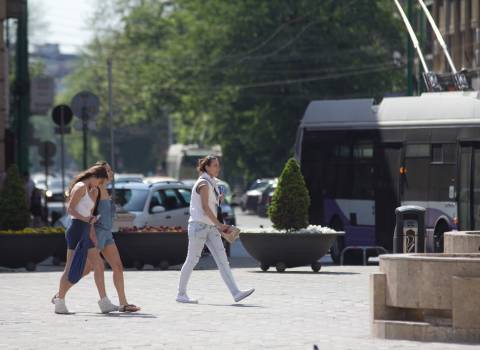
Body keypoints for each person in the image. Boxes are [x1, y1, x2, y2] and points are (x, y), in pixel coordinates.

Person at [177, 155, 254, 303]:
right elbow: (205, 208)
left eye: (218, 165)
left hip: (210, 227)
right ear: (206, 167)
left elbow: (209, 205)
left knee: (222, 260)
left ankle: (236, 292)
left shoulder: (212, 183)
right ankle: (181, 294)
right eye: (215, 165)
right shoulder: (204, 183)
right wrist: (220, 225)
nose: (218, 168)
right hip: (198, 227)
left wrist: (217, 200)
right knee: (192, 260)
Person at [52, 165, 117, 314]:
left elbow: (88, 212)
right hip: (76, 229)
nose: (99, 185)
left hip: (86, 230)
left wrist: (91, 229)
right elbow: (70, 209)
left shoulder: (92, 190)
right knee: (69, 267)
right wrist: (86, 219)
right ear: (95, 177)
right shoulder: (80, 187)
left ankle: (104, 302)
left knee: (99, 265)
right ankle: (59, 301)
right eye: (100, 181)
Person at [83, 161, 140, 313]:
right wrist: (90, 233)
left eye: (110, 170)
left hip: (107, 233)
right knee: (86, 269)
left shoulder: (105, 189)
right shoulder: (96, 190)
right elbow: (87, 212)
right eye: (108, 170)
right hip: (97, 233)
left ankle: (123, 303)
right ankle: (60, 294)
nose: (111, 172)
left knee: (118, 267)